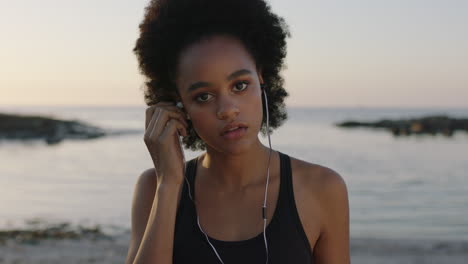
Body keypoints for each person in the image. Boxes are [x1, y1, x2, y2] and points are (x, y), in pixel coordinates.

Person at [125, 0, 350, 263]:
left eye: (240, 85)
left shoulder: (322, 187)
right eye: (204, 96)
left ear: (261, 77)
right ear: (178, 104)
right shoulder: (154, 187)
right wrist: (169, 184)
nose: (227, 110)